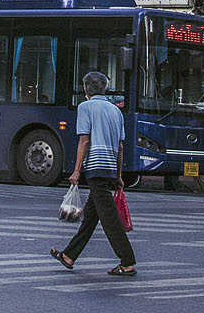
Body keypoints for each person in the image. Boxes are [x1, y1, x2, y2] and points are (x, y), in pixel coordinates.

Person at [50, 70, 137, 277]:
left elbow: (84, 140)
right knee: (91, 217)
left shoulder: (85, 107)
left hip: (95, 167)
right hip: (109, 167)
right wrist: (118, 175)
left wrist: (77, 171)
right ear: (105, 89)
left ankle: (127, 262)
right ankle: (69, 255)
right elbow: (121, 147)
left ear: (85, 89)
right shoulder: (116, 111)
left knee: (109, 217)